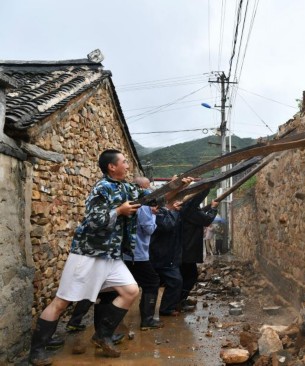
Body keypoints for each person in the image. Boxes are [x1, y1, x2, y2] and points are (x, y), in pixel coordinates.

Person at [28, 149, 192, 365]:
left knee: (130, 291)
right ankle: (36, 351)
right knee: (62, 302)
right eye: (124, 162)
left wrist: (178, 186)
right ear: (111, 167)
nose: (127, 165)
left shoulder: (127, 188)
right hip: (89, 254)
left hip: (112, 256)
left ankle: (102, 336)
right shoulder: (101, 188)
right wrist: (118, 211)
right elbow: (93, 220)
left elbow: (154, 199)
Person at [123, 177, 164, 330]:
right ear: (142, 188)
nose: (150, 190)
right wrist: (153, 214)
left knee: (120, 286)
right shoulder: (144, 205)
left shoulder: (127, 202)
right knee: (152, 282)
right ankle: (147, 320)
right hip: (138, 253)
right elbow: (149, 229)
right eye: (148, 187)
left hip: (126, 253)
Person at [178, 190, 218, 309]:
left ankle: (178, 301)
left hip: (183, 249)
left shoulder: (185, 208)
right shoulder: (191, 210)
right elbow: (206, 220)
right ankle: (179, 301)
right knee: (191, 276)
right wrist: (213, 208)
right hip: (188, 249)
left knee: (185, 276)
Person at [149, 200, 184, 316]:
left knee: (173, 281)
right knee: (172, 281)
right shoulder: (159, 212)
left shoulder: (166, 211)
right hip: (159, 254)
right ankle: (151, 313)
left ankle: (163, 309)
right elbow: (167, 225)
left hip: (167, 255)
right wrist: (173, 212)